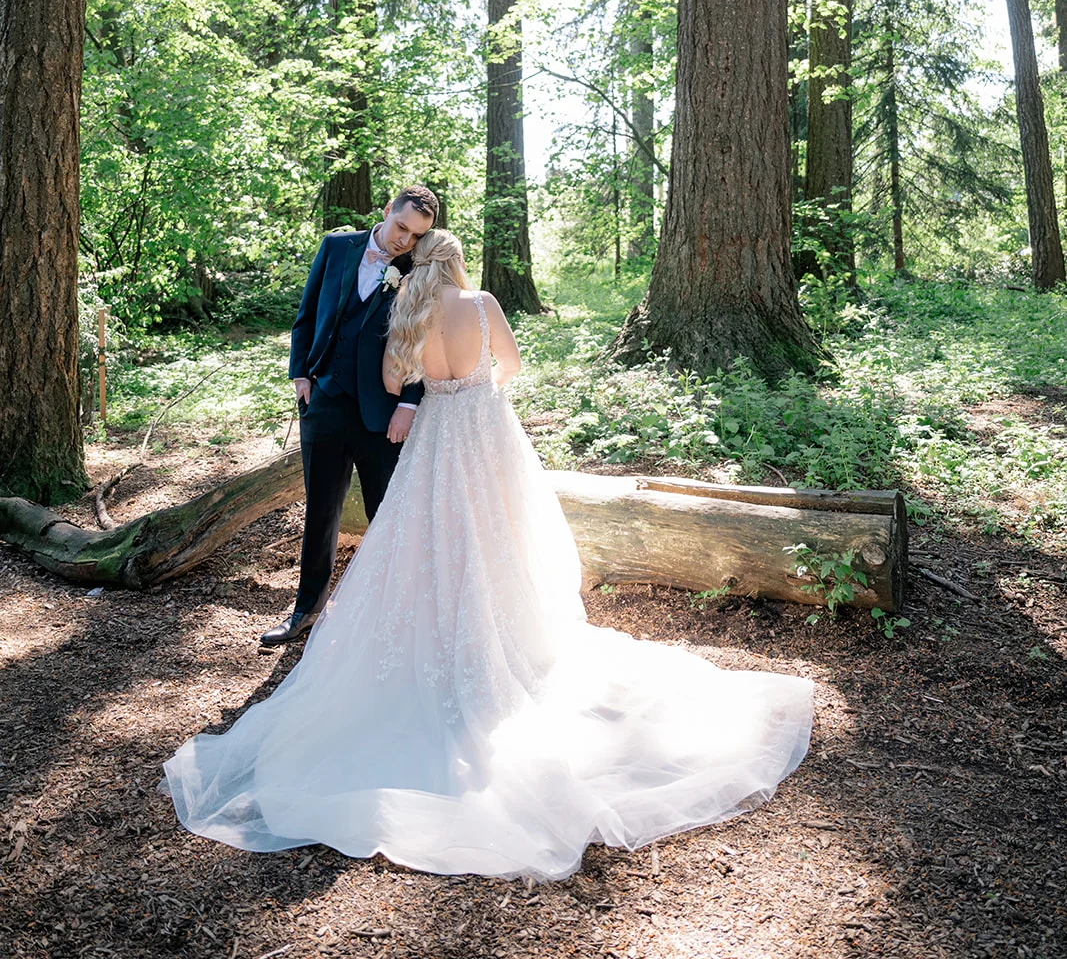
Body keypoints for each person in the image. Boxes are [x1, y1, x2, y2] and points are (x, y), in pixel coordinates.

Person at [163, 230, 813, 880]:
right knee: (496, 535)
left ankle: (434, 632)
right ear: (458, 261)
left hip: (435, 434)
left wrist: (422, 382)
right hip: (483, 428)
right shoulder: (481, 304)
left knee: (425, 539)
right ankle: (498, 635)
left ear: (421, 263)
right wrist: (484, 387)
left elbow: (394, 379)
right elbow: (513, 366)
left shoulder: (407, 311)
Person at [259, 184, 438, 647]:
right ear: (386, 212)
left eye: (417, 235)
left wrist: (408, 402)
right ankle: (306, 611)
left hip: (381, 410)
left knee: (385, 512)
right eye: (402, 227)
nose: (405, 241)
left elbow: (423, 340)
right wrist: (300, 373)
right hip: (322, 401)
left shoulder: (417, 268)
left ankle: (389, 614)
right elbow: (306, 315)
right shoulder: (337, 247)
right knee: (320, 511)